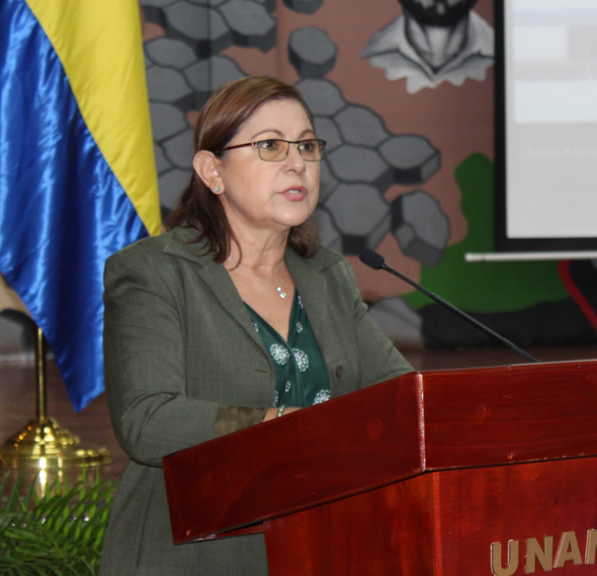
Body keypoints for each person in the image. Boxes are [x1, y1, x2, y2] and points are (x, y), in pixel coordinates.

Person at [98, 76, 413, 575]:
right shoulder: (154, 273)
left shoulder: (328, 275)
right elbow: (148, 419)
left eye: (308, 146)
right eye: (270, 146)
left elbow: (402, 397)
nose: (297, 163)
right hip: (196, 551)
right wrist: (277, 424)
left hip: (322, 543)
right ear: (212, 171)